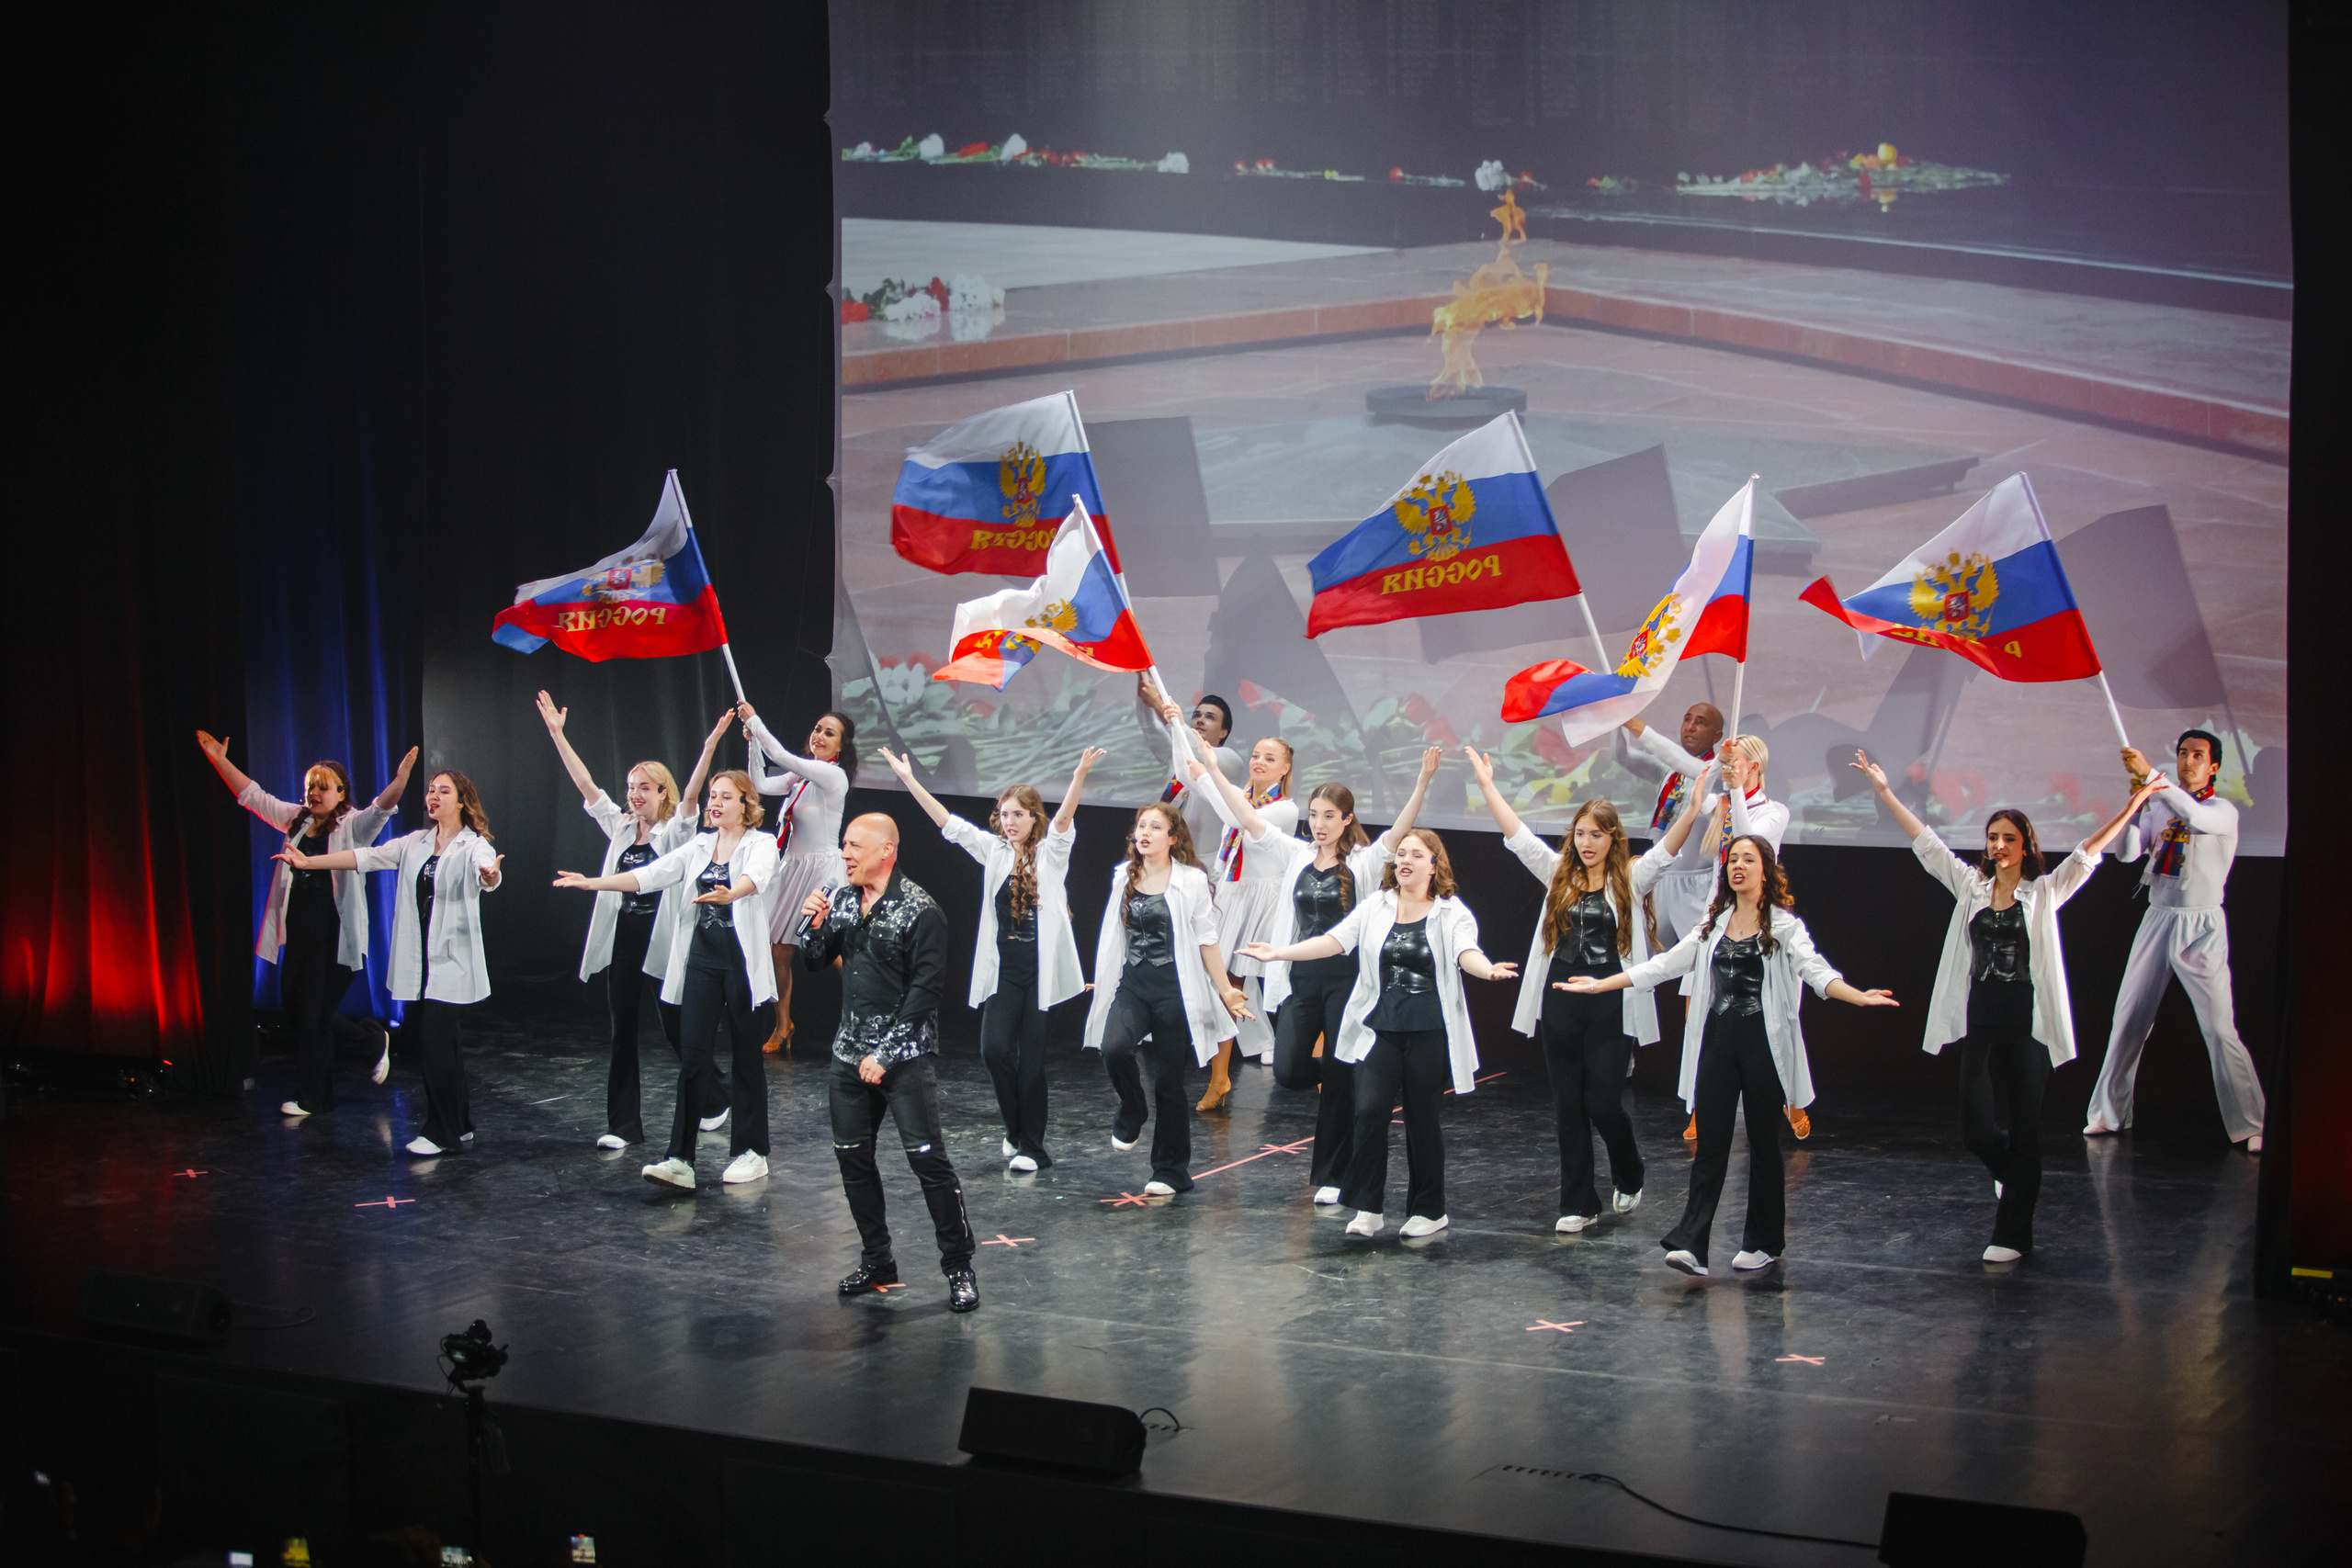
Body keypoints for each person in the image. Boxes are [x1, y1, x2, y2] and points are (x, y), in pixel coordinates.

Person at [1853, 750, 2164, 1261]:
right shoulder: (1970, 888)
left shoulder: (2043, 893)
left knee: (2024, 1131)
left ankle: (2012, 1234)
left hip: (2028, 1028)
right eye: (1992, 837)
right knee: (1976, 1129)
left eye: (2008, 839)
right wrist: (1885, 790)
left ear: (2024, 848)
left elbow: (2089, 851)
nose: (1998, 845)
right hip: (1982, 1022)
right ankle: (2009, 1175)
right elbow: (1925, 842)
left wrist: (2136, 804)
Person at [1559, 834, 1895, 1276]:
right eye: (1733, 859)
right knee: (1711, 1146)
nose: (1738, 866)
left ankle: (1765, 1241)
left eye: (1748, 859)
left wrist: (1856, 996)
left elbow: (1815, 971)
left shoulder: (1784, 926)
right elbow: (1665, 965)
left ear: (1765, 870)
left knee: (1762, 1145)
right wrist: (1602, 983)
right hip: (1718, 1041)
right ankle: (1692, 1243)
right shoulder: (1712, 925)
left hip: (1762, 1046)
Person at [1193, 735, 1442, 1204]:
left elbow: (1399, 831)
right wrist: (1211, 770)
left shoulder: (1364, 862)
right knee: (1287, 1070)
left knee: (1338, 1083)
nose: (1320, 824)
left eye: (1330, 816)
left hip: (1347, 981)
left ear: (1346, 819)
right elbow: (1246, 818)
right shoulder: (1297, 855)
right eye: (1314, 815)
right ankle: (1344, 1076)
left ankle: (1332, 1175)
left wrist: (1422, 782)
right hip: (1302, 978)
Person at [1242, 829, 1518, 1239]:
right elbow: (1335, 941)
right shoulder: (1376, 905)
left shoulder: (1451, 912)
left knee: (1422, 1119)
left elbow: (1466, 952)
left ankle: (1430, 1209)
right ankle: (1368, 1207)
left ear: (1434, 864)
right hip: (1379, 1028)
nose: (1404, 860)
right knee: (1369, 1111)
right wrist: (1280, 952)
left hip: (1427, 1030)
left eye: (1415, 855)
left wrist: (1487, 968)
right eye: (1400, 853)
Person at [1464, 746, 1666, 1234]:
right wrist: (1488, 785)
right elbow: (1517, 835)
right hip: (1560, 1001)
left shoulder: (1629, 879)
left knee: (1603, 1103)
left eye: (1596, 835)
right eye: (1580, 834)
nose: (1586, 842)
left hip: (1610, 1003)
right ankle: (1578, 1202)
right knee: (1567, 1107)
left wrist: (1696, 798)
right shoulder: (1559, 873)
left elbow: (1668, 851)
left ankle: (1629, 1170)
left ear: (1612, 837)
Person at [881, 743, 1103, 1172]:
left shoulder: (1051, 853)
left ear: (1033, 817)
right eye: (1003, 814)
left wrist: (1078, 777)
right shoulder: (993, 851)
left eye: (1017, 814)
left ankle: (1032, 1147)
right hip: (1006, 972)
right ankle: (1015, 1130)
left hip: (1041, 975)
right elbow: (949, 824)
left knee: (1032, 1062)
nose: (1009, 822)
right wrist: (909, 781)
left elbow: (1063, 821)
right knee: (994, 1051)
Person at [554, 771, 780, 1189]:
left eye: (724, 797)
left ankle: (752, 1152)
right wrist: (594, 883)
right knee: (693, 1060)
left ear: (745, 804)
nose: (714, 803)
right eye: (712, 796)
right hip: (701, 964)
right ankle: (680, 1158)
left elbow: (759, 877)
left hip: (742, 966)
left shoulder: (760, 843)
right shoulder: (698, 845)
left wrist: (732, 891)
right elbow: (651, 875)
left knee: (747, 1060)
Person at [537, 693, 733, 1150]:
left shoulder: (677, 831)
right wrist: (557, 735)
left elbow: (691, 796)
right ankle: (623, 1126)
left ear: (661, 792)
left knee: (674, 1029)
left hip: (662, 944)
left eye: (644, 787)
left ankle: (717, 1093)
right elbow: (587, 786)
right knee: (621, 1032)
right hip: (624, 941)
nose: (634, 794)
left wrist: (707, 749)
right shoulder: (621, 828)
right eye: (631, 786)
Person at [798, 814, 976, 1312]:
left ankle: (959, 1266)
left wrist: (886, 1053)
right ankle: (878, 1260)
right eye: (843, 845)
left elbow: (926, 994)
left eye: (854, 845)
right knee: (853, 1160)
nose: (845, 853)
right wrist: (813, 925)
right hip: (848, 1056)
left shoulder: (921, 910)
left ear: (886, 850)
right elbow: (815, 959)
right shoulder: (844, 900)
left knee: (928, 1162)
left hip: (902, 1061)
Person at [278, 770, 503, 1156]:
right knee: (445, 1044)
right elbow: (367, 856)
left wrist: (490, 876)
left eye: (443, 791)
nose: (433, 796)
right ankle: (460, 1124)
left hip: (451, 962)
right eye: (431, 790)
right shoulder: (416, 842)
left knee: (434, 1043)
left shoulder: (472, 845)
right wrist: (309, 864)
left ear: (462, 801)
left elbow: (486, 870)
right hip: (423, 964)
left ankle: (441, 1133)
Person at [198, 730, 416, 1116]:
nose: (314, 793)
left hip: (333, 937)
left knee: (314, 1015)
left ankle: (314, 1098)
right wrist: (219, 760)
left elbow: (381, 808)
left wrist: (399, 780)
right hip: (297, 933)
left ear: (341, 793)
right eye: (310, 786)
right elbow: (254, 796)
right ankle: (369, 1041)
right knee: (298, 1010)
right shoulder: (296, 820)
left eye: (323, 787)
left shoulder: (352, 825)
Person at [2086, 733, 2268, 1151]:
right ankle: (2108, 1114)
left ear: (2214, 767)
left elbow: (2197, 819)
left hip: (2200, 925)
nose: (2188, 761)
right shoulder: (2162, 803)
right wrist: (2136, 807)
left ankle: (2253, 1122)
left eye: (2197, 756)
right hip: (2158, 918)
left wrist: (2152, 776)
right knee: (2128, 1021)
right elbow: (2129, 855)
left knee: (2219, 1029)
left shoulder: (2222, 811)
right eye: (2183, 753)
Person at [1082, 803, 1252, 1196]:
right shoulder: (1123, 875)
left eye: (1154, 827)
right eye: (1141, 826)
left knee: (1169, 1083)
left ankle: (1171, 1170)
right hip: (1134, 985)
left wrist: (1226, 989)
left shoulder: (1190, 880)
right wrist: (1102, 978)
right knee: (1114, 1048)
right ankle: (1132, 1109)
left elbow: (1207, 940)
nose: (1144, 833)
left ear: (1172, 839)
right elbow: (1113, 935)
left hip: (1175, 990)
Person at [1170, 704, 1297, 1102]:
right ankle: (1220, 1078)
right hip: (1232, 892)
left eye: (1269, 758)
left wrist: (1209, 774)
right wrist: (1176, 725)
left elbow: (1238, 818)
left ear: (1284, 770)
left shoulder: (1285, 809)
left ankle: (1319, 1061)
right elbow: (1191, 778)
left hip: (1266, 901)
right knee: (1227, 983)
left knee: (1278, 985)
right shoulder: (1240, 793)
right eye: (1256, 755)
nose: (1259, 762)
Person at [740, 699, 854, 1054]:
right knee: (778, 949)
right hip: (792, 867)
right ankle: (783, 1025)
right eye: (818, 729)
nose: (819, 735)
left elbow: (785, 757)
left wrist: (756, 721)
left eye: (829, 733)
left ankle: (870, 1013)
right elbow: (759, 782)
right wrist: (751, 743)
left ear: (841, 746)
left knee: (836, 953)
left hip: (822, 870)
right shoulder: (802, 776)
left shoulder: (833, 775)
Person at [1138, 672, 1240, 874]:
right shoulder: (1174, 753)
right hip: (1165, 860)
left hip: (1205, 867)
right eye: (1197, 715)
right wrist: (1143, 690)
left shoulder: (1231, 760)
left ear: (1223, 732)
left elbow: (1197, 752)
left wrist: (1161, 706)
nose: (1200, 720)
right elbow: (1148, 725)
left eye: (1210, 717)